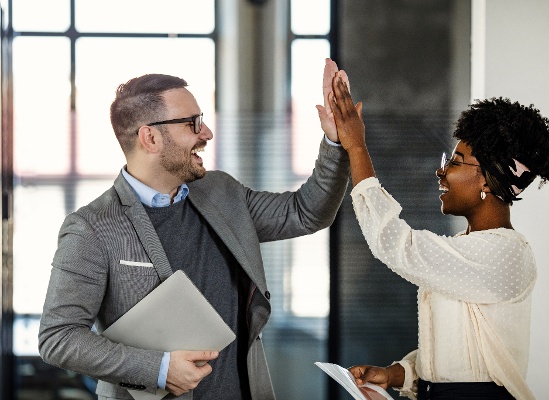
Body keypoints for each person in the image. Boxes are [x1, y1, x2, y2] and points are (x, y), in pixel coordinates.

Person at [38, 59, 350, 400]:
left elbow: (306, 213)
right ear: (151, 137)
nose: (206, 133)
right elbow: (58, 336)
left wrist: (335, 141)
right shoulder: (91, 228)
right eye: (193, 123)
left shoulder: (221, 192)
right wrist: (158, 368)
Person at [327, 71, 549, 400]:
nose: (441, 170)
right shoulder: (467, 251)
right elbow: (457, 356)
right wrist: (396, 374)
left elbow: (395, 244)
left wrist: (356, 148)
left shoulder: (504, 253)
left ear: (486, 180)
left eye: (455, 161)